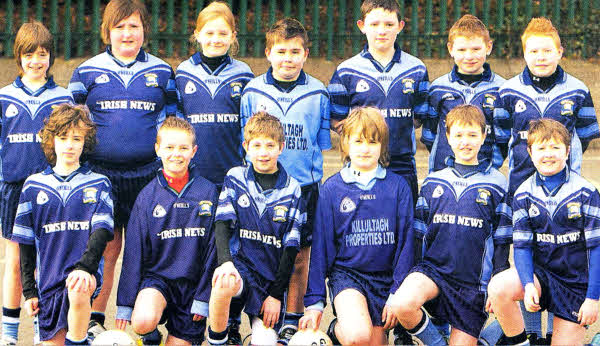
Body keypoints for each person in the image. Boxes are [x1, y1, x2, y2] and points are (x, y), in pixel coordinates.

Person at [68, 0, 178, 338]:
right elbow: (72, 125)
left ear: (144, 29)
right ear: (107, 31)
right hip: (103, 176)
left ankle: (148, 324)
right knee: (108, 248)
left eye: (134, 26)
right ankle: (95, 320)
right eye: (120, 27)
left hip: (147, 175)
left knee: (148, 249)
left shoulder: (162, 72)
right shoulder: (86, 72)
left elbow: (173, 123)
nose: (127, 33)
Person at [493, 17, 599, 343]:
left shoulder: (578, 90)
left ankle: (558, 330)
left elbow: (586, 136)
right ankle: (532, 334)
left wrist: (565, 171)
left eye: (548, 50)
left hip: (566, 194)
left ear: (560, 52)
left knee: (565, 256)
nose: (541, 56)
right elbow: (498, 141)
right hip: (523, 189)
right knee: (528, 257)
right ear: (524, 53)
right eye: (534, 50)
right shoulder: (508, 90)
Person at [239, 18, 331, 343]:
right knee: (264, 252)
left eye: (295, 51)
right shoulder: (252, 91)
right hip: (264, 185)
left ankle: (292, 317)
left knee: (301, 254)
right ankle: (263, 313)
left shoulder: (319, 92)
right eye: (281, 51)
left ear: (306, 54)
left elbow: (320, 146)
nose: (288, 58)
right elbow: (245, 142)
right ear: (268, 53)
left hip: (304, 188)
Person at [391, 105, 511, 345]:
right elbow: (418, 235)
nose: (465, 142)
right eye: (458, 135)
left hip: (473, 285)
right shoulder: (433, 181)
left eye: (472, 135)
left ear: (484, 136)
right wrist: (409, 275)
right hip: (434, 274)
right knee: (402, 304)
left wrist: (496, 282)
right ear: (447, 137)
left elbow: (502, 239)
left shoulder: (498, 183)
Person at [299, 107, 414, 345]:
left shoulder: (398, 187)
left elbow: (406, 245)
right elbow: (321, 248)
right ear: (345, 143)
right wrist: (314, 302)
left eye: (373, 142)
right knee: (357, 336)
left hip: (385, 280)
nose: (364, 148)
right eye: (358, 140)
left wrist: (397, 292)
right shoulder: (332, 189)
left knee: (373, 342)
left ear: (382, 146)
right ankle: (335, 331)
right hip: (348, 276)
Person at [487, 118, 600, 345]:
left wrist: (592, 299)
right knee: (498, 288)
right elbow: (522, 246)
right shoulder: (522, 194)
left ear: (567, 151)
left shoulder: (586, 192)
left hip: (574, 284)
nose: (548, 154)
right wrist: (528, 284)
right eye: (541, 148)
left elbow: (597, 249)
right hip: (541, 278)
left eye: (555, 147)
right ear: (530, 152)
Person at [12, 104, 114, 345]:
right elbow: (25, 244)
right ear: (51, 140)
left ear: (85, 142)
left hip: (84, 278)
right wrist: (29, 291)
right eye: (63, 137)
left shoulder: (99, 183)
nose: (69, 144)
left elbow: (101, 232)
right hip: (48, 283)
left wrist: (84, 268)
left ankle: (79, 338)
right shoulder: (33, 186)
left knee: (78, 287)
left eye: (76, 138)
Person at [0, 22, 73, 345]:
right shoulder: (4, 97)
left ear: (50, 57)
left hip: (50, 190)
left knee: (47, 261)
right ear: (18, 56)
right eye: (29, 54)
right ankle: (9, 332)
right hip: (13, 188)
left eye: (42, 54)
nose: (35, 61)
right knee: (14, 260)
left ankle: (47, 328)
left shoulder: (63, 97)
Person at [115, 117, 217, 345]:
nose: (176, 154)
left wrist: (203, 297)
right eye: (169, 147)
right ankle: (151, 336)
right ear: (157, 149)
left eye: (183, 148)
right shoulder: (147, 197)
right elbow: (134, 252)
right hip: (158, 281)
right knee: (142, 321)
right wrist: (125, 303)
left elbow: (213, 251)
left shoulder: (208, 192)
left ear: (194, 151)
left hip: (192, 288)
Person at [207, 112, 305, 345]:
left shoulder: (292, 189)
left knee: (266, 342)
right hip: (240, 268)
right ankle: (222, 337)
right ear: (246, 147)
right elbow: (221, 224)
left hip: (269, 280)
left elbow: (291, 249)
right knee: (223, 282)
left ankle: (255, 331)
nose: (263, 152)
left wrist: (274, 294)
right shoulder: (235, 178)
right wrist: (226, 262)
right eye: (257, 145)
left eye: (270, 145)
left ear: (281, 147)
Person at [327, 0, 429, 207]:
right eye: (374, 24)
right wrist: (363, 142)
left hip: (402, 164)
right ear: (362, 26)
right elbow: (336, 118)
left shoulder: (416, 69)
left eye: (389, 24)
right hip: (360, 163)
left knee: (402, 226)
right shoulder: (346, 71)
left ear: (400, 26)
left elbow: (419, 116)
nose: (381, 31)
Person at [175, 1, 254, 191]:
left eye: (223, 33)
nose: (216, 39)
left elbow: (250, 125)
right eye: (209, 33)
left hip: (232, 171)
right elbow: (177, 122)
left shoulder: (243, 74)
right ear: (197, 35)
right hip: (194, 173)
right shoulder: (183, 73)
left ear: (233, 36)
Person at [424, 14, 505, 173]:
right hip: (443, 172)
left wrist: (491, 168)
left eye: (476, 49)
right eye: (462, 49)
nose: (469, 56)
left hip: (484, 174)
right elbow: (429, 135)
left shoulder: (501, 89)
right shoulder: (438, 88)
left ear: (488, 47)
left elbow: (503, 137)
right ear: (450, 49)